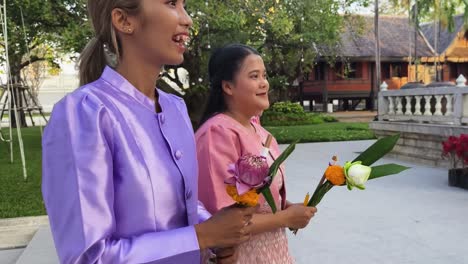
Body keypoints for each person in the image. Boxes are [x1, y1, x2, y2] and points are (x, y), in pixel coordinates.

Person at [41, 1, 255, 263]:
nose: (187, 19)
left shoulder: (175, 108)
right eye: (171, 4)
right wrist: (201, 237)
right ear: (123, 21)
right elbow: (88, 257)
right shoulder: (84, 114)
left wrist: (216, 235)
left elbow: (183, 206)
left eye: (184, 6)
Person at [195, 44, 318, 263]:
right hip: (241, 255)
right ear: (228, 87)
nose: (264, 83)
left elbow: (260, 199)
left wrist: (287, 208)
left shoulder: (261, 132)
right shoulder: (218, 133)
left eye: (264, 75)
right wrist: (284, 218)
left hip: (273, 252)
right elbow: (221, 219)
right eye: (254, 76)